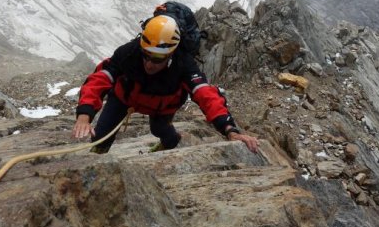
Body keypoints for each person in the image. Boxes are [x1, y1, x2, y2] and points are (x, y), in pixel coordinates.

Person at [72, 14, 259, 154]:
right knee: (101, 136)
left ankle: (171, 142)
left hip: (161, 106)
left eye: (157, 59)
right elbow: (99, 79)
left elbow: (206, 95)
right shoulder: (128, 53)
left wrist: (230, 130)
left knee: (160, 130)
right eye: (146, 55)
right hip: (125, 99)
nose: (149, 64)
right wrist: (84, 115)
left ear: (170, 54)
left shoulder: (184, 64)